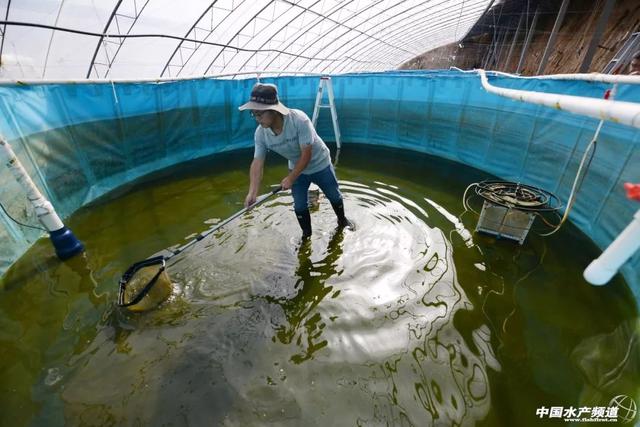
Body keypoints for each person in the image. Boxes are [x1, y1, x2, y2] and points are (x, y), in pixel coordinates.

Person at [239, 82, 353, 239]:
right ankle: (306, 236)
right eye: (254, 114)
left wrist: (291, 178)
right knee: (299, 205)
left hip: (320, 163)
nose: (257, 119)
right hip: (296, 167)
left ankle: (342, 220)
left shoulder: (299, 120)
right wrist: (252, 192)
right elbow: (257, 162)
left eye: (260, 114)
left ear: (273, 110)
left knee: (333, 195)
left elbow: (306, 154)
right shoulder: (261, 134)